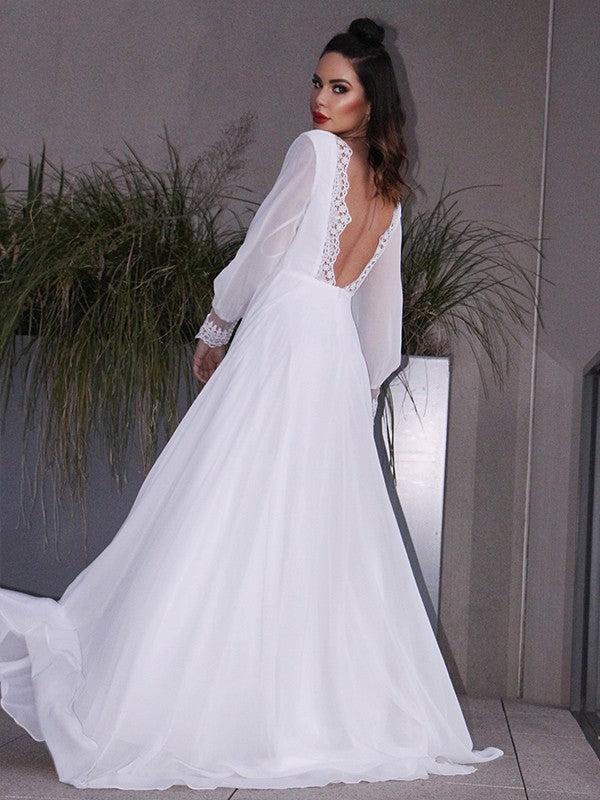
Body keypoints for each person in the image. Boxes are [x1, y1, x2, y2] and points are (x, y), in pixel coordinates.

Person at [0, 18, 502, 791]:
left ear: (370, 101)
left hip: (285, 336)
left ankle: (184, 697)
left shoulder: (316, 154)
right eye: (317, 83)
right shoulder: (390, 195)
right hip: (334, 355)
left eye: (339, 87)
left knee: (223, 501)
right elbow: (382, 316)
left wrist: (217, 324)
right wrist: (362, 388)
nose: (320, 99)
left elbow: (265, 245)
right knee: (308, 525)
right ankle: (297, 710)